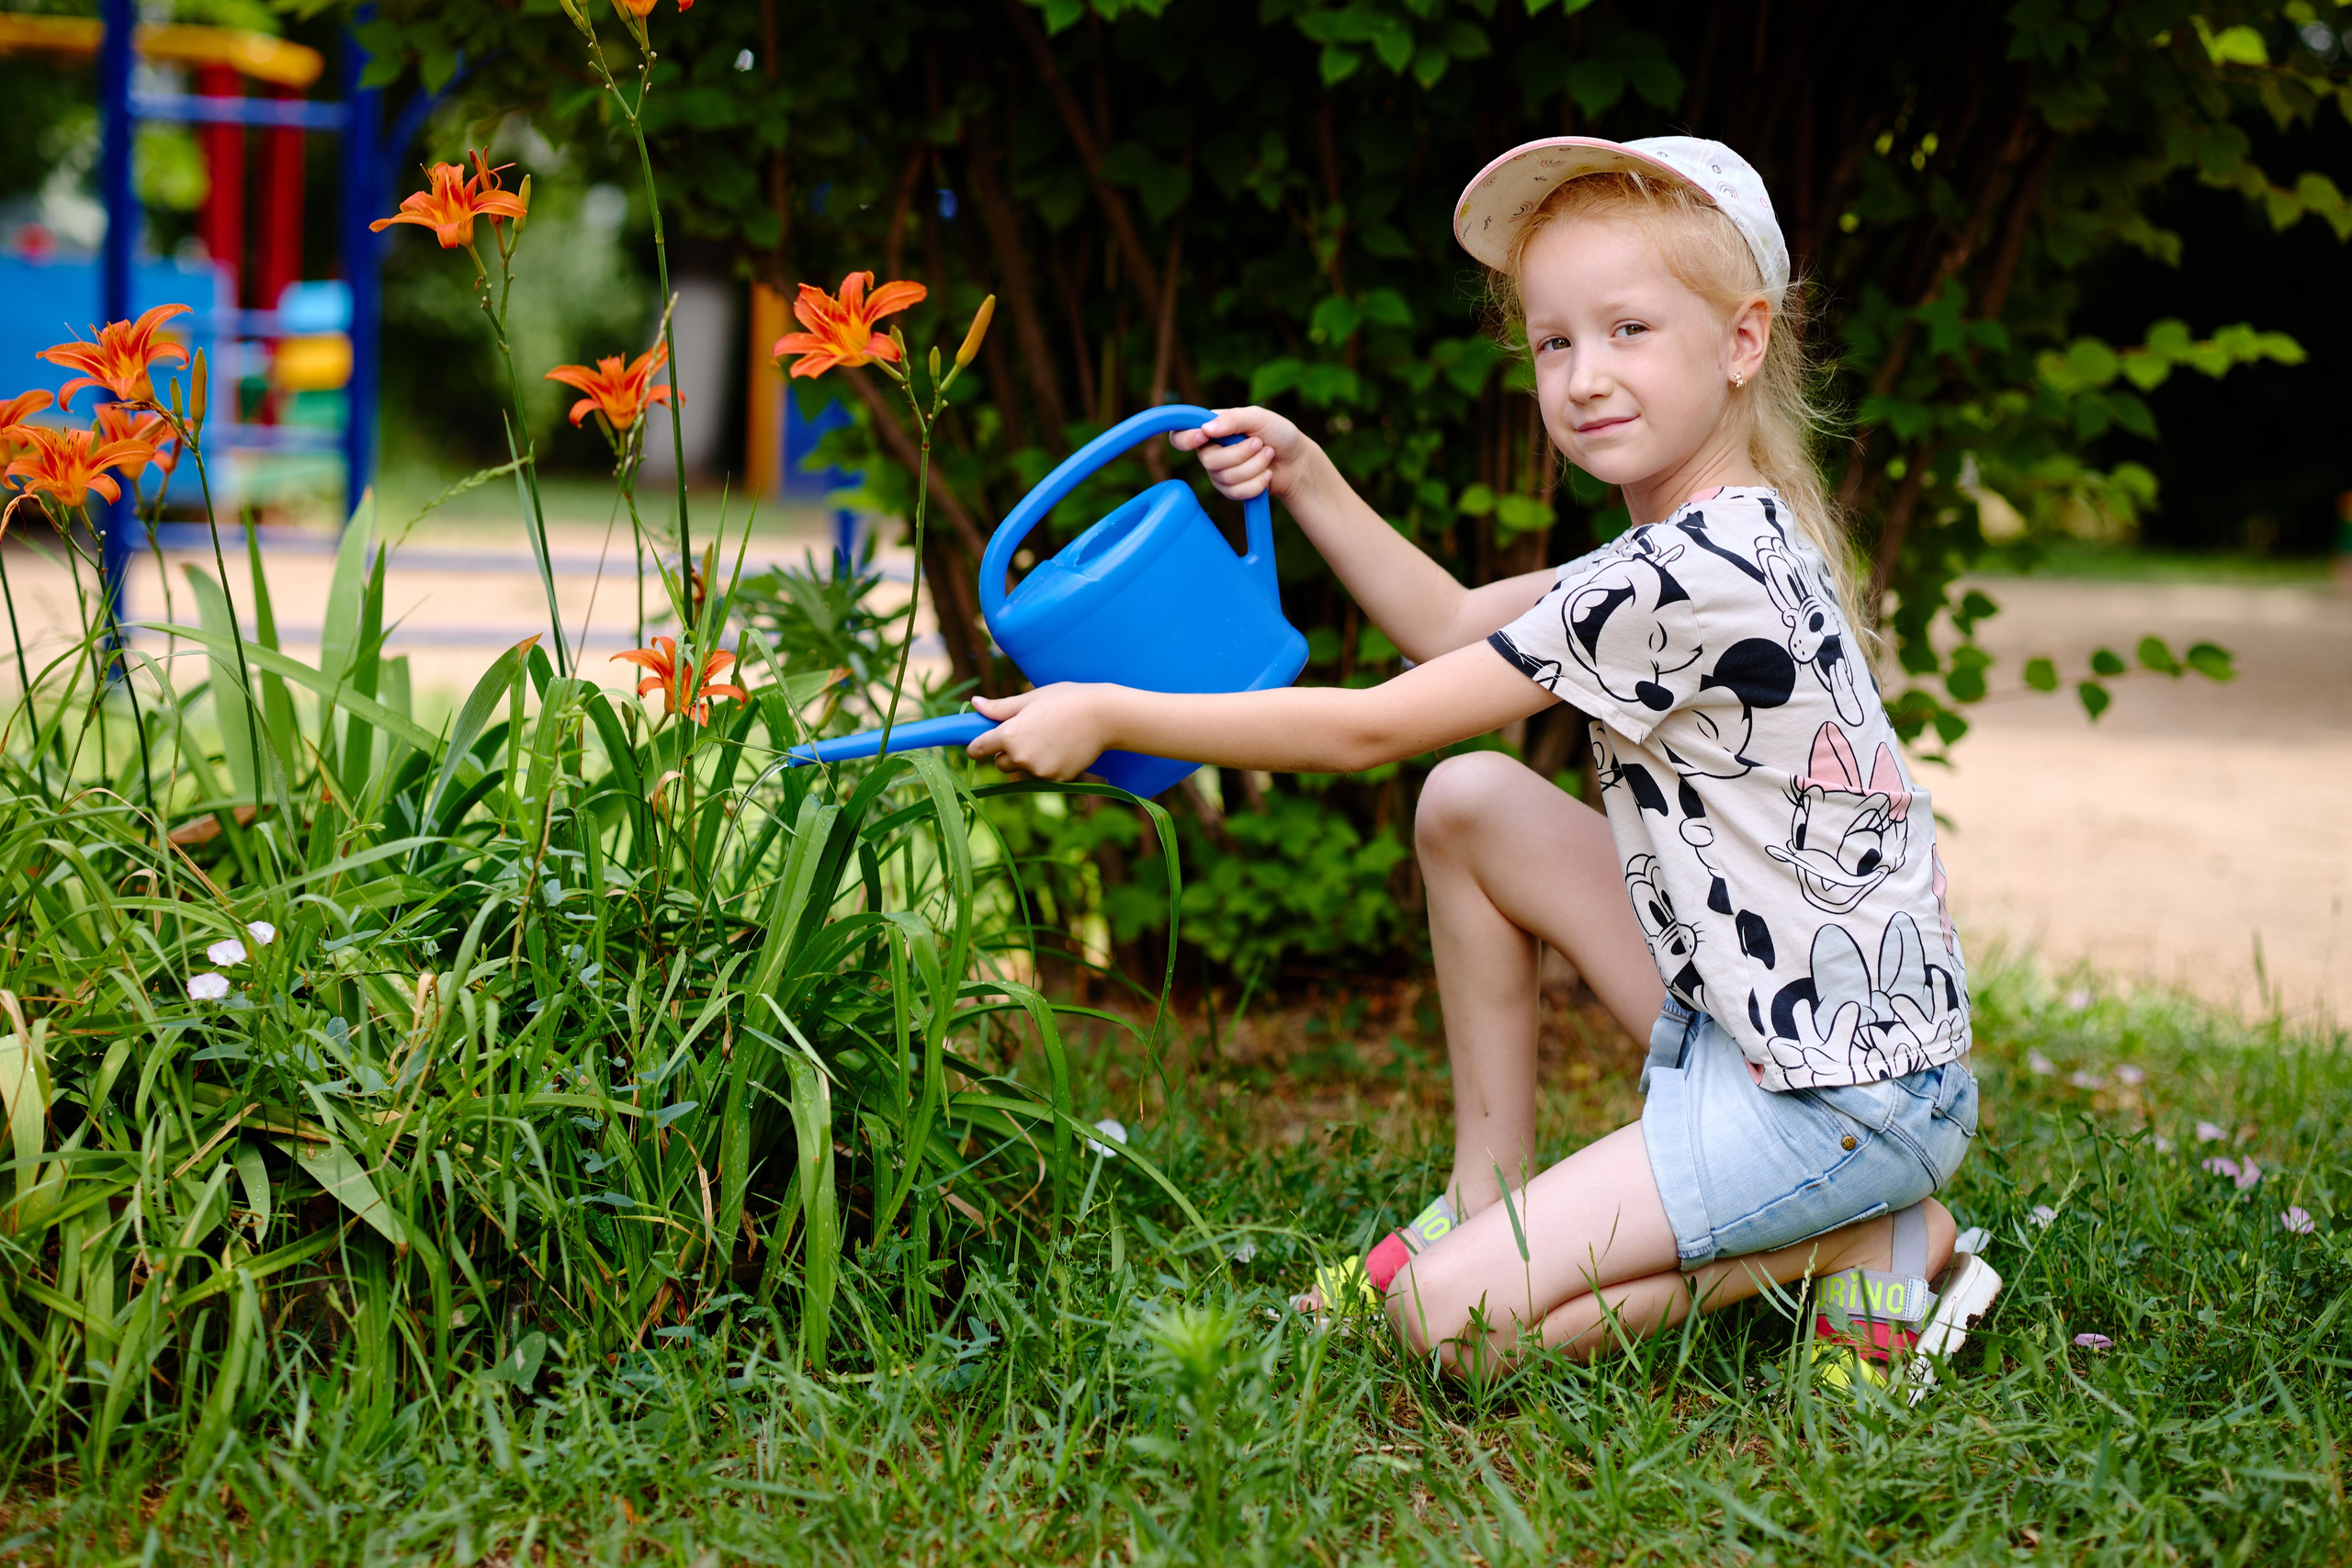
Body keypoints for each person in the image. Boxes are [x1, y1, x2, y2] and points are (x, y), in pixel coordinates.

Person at [965, 136, 1998, 1392]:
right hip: (1779, 1021)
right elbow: (1453, 625)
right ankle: (1482, 1195)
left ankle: (1875, 1230)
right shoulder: (1702, 537)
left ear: (1741, 342)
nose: (1583, 375)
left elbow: (1366, 728)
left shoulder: (1687, 572)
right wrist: (1305, 474)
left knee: (1447, 1333)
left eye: (1627, 329)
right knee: (1471, 803)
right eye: (1554, 341)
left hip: (1839, 1098)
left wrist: (1110, 709)